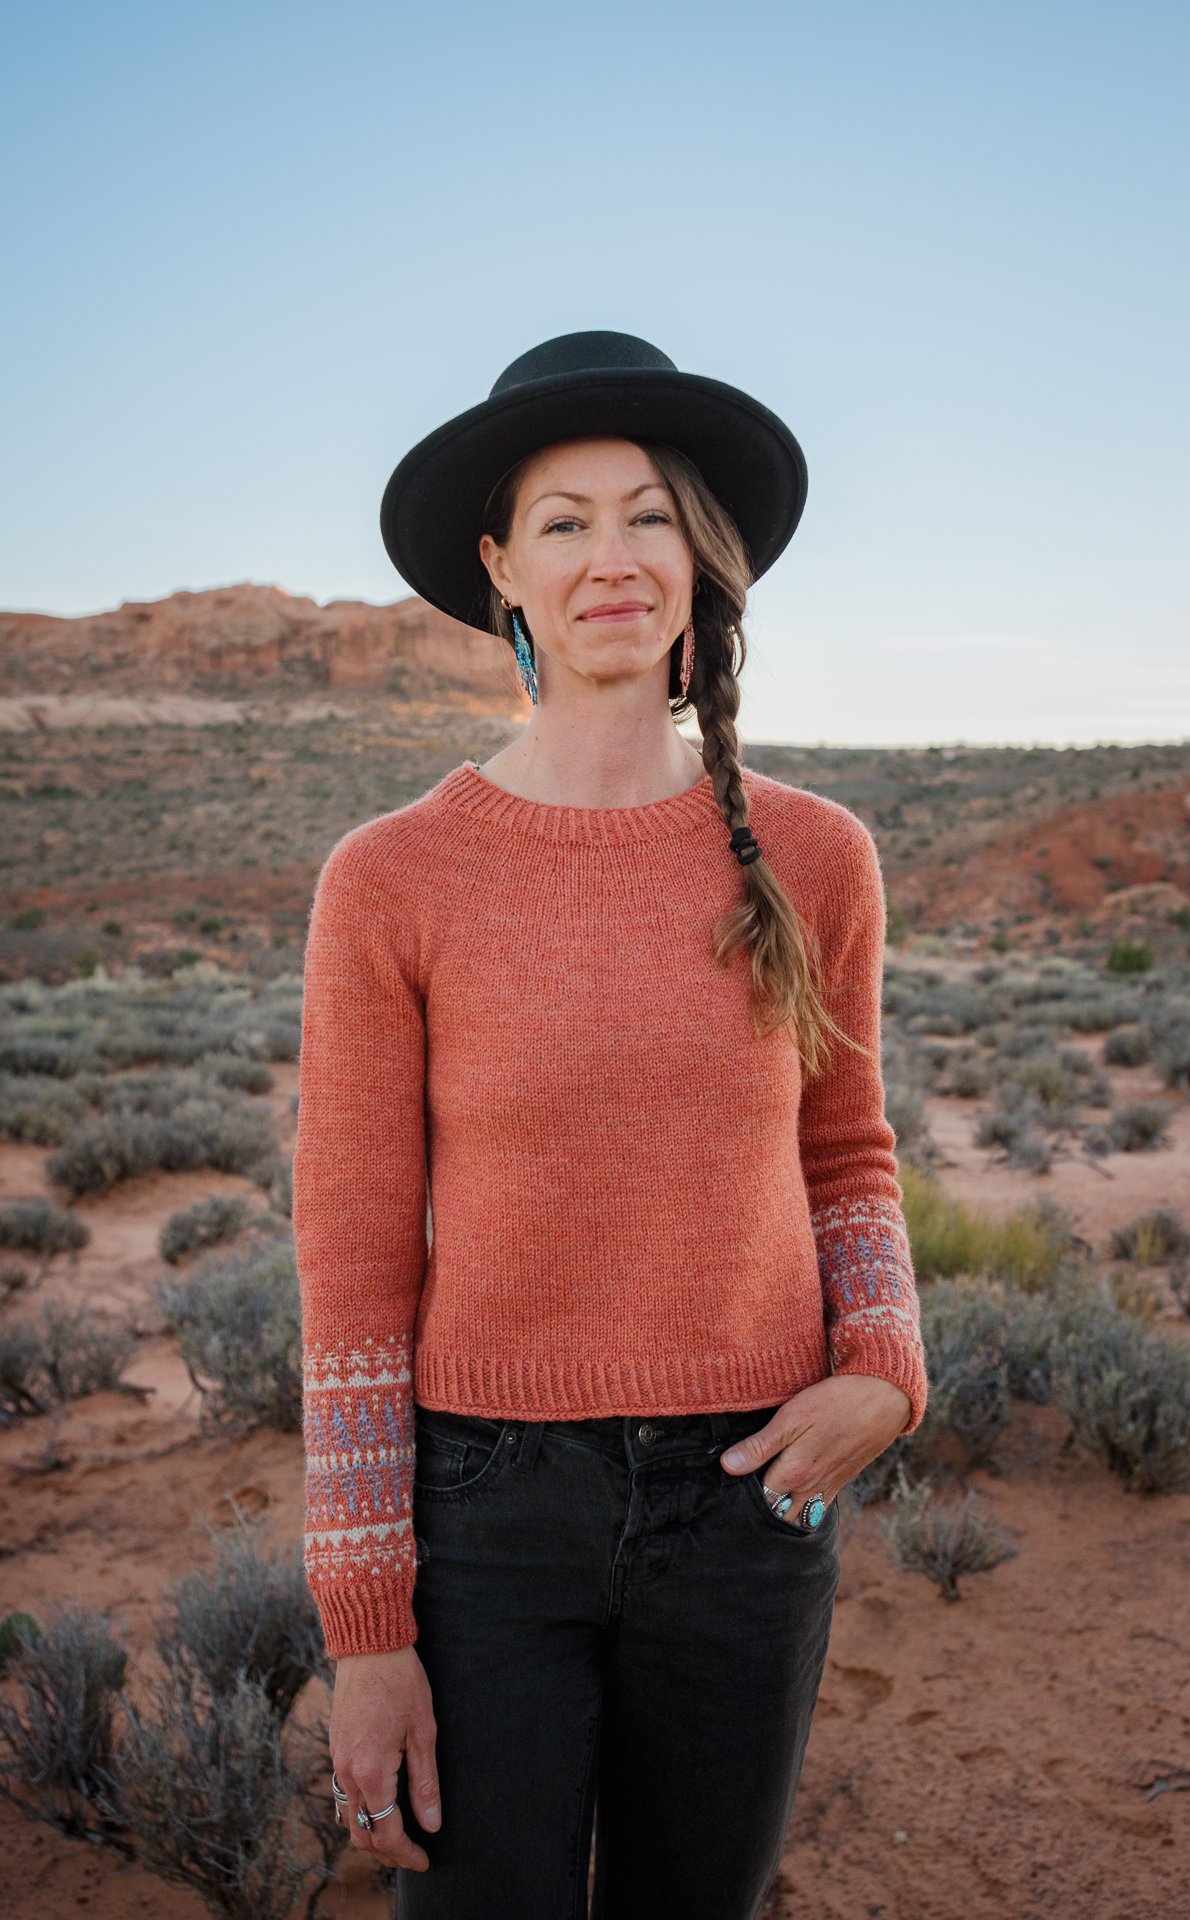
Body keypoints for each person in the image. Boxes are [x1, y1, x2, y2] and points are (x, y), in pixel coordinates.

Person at [292, 329, 929, 1920]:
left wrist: (886, 1369)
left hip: (751, 1492)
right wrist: (368, 1627)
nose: (610, 558)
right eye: (562, 523)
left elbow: (844, 1153)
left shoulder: (814, 853)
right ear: (500, 568)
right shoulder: (392, 877)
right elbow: (353, 1265)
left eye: (647, 515)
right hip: (485, 1514)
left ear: (701, 561)